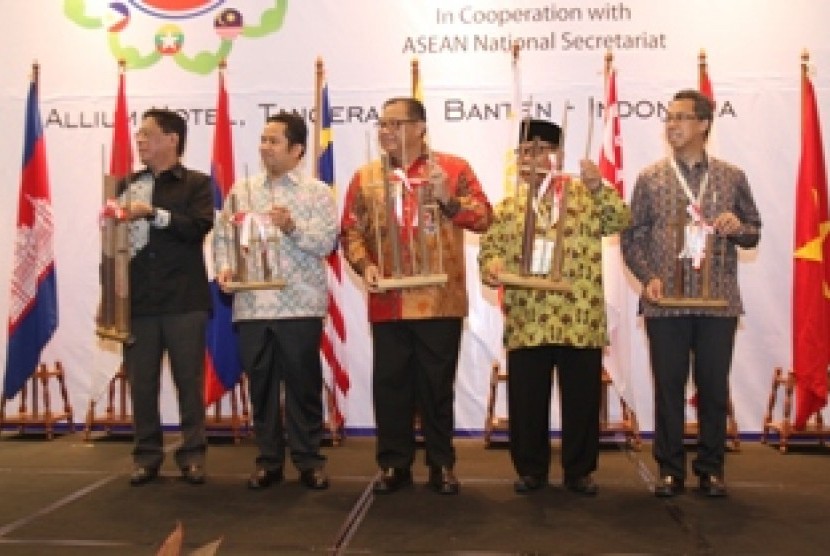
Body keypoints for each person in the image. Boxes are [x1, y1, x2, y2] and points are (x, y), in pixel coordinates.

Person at [341, 97, 493, 495]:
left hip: (439, 298)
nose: (385, 132)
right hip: (388, 299)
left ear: (419, 127)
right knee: (391, 385)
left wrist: (448, 200)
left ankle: (441, 463)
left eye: (395, 124)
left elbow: (484, 218)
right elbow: (351, 230)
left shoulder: (453, 169)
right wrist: (364, 265)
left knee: (436, 386)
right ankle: (394, 464)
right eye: (382, 124)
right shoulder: (367, 177)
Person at [621, 89, 761, 498]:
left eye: (681, 117)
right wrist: (647, 278)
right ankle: (670, 468)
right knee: (668, 386)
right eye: (668, 118)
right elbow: (632, 237)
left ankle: (711, 468)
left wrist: (739, 227)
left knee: (713, 387)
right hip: (665, 303)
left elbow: (753, 232)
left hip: (718, 300)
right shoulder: (651, 178)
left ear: (703, 124)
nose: (672, 125)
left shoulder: (731, 176)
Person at [479, 119, 631, 496]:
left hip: (578, 317)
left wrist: (599, 186)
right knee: (528, 400)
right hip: (529, 318)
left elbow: (620, 220)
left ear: (557, 155)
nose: (531, 159)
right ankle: (531, 469)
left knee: (582, 401)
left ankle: (579, 471)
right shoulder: (508, 207)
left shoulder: (584, 196)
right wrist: (493, 268)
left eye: (540, 151)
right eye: (524, 152)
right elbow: (488, 254)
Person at [214, 112, 337, 491]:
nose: (265, 147)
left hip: (299, 304)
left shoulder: (318, 192)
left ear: (297, 149)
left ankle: (308, 460)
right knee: (261, 385)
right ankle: (268, 460)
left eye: (274, 141)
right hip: (252, 305)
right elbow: (222, 238)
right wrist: (224, 269)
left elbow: (327, 243)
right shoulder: (242, 190)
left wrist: (291, 226)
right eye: (263, 140)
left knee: (302, 385)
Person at [120, 108, 213, 486]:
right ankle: (146, 455)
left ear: (172, 139)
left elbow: (199, 228)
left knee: (189, 382)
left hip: (183, 300)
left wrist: (154, 214)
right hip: (138, 301)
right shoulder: (125, 184)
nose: (139, 141)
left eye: (147, 134)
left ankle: (192, 455)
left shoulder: (196, 184)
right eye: (138, 135)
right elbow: (115, 247)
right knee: (141, 383)